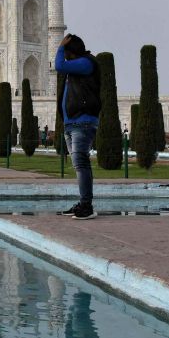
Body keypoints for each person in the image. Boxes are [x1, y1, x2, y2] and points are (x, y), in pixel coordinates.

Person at [55, 34, 102, 220]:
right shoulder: (76, 68)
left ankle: (86, 205)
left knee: (81, 163)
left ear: (71, 51)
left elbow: (59, 66)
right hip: (72, 122)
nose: (63, 55)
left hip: (82, 121)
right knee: (79, 165)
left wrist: (59, 46)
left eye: (65, 52)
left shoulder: (86, 63)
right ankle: (83, 202)